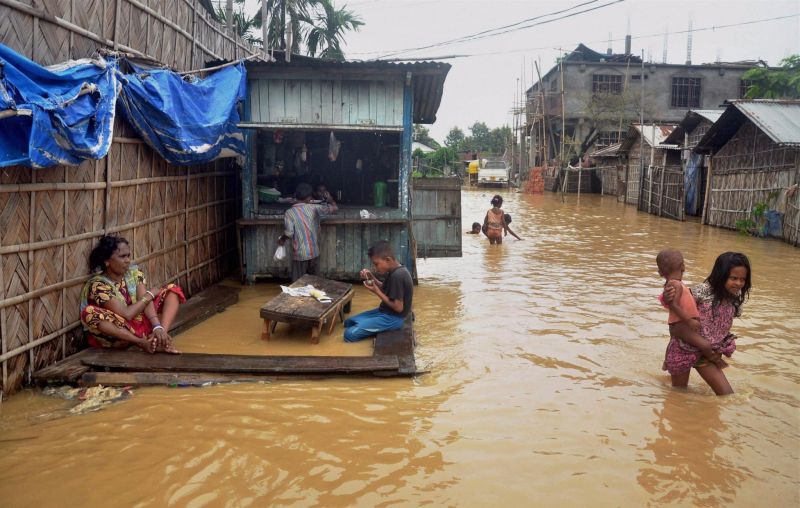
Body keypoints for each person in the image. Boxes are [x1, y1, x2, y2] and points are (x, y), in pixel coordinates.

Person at [658, 250, 750, 395]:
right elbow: (676, 313)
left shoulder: (737, 299)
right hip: (684, 349)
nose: (738, 283)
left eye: (742, 280)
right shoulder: (703, 291)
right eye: (733, 278)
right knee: (678, 394)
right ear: (721, 275)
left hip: (708, 354)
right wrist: (666, 297)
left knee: (726, 395)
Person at [80, 235, 185, 353]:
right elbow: (127, 314)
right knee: (89, 312)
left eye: (128, 255)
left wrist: (157, 327)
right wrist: (149, 295)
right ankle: (141, 343)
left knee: (172, 290)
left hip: (141, 321)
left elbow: (144, 300)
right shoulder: (98, 285)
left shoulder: (134, 272)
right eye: (122, 256)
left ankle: (160, 338)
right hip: (121, 333)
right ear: (107, 261)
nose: (127, 260)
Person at [344, 241, 413, 342]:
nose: (375, 268)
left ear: (388, 260)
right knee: (348, 322)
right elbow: (384, 288)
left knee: (349, 335)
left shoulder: (398, 276)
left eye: (376, 264)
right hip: (384, 311)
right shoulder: (394, 270)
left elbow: (398, 308)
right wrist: (372, 277)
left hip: (393, 318)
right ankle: (370, 327)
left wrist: (377, 292)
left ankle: (373, 328)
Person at [278, 182, 338, 281]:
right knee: (316, 283)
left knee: (297, 286)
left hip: (300, 255)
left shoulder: (289, 213)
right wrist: (331, 200)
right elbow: (335, 208)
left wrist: (282, 239)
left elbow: (289, 233)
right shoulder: (314, 208)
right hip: (314, 252)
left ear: (295, 196)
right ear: (309, 198)